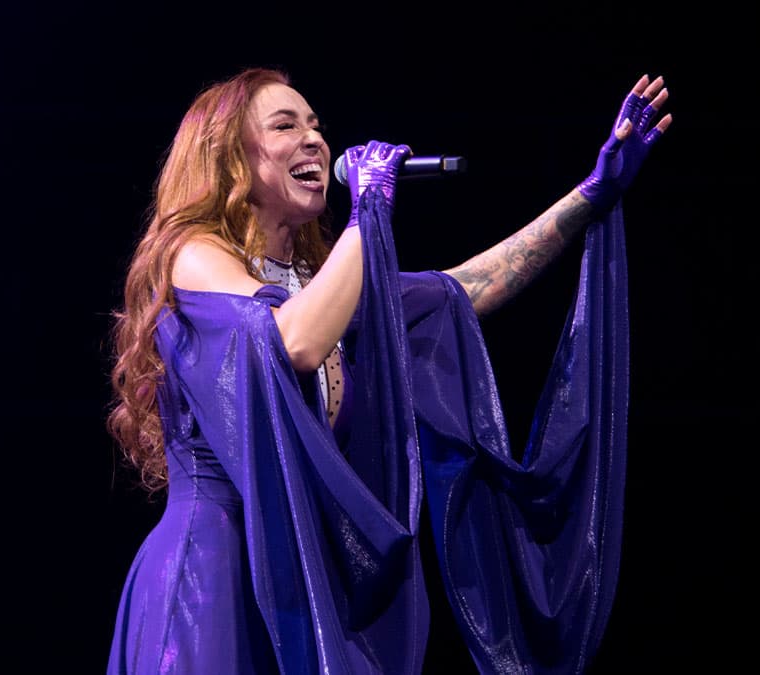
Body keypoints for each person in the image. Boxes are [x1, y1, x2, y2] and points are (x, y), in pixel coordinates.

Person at [105, 66, 670, 674]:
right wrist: (367, 208)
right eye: (285, 126)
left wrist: (592, 194)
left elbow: (464, 288)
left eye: (316, 125)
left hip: (299, 579)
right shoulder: (192, 255)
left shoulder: (317, 288)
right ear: (230, 158)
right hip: (212, 580)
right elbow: (291, 342)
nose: (315, 139)